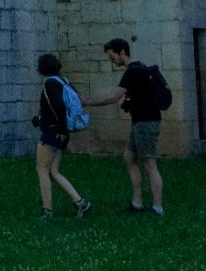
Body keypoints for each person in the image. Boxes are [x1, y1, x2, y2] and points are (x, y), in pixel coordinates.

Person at [85, 37, 165, 216]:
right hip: (139, 122)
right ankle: (137, 202)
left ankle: (157, 207)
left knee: (150, 164)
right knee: (129, 158)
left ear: (122, 52)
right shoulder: (138, 68)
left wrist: (87, 102)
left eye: (113, 58)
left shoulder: (133, 72)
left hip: (146, 122)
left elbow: (113, 98)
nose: (113, 62)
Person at [32, 52, 92, 219]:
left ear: (41, 68)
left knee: (42, 169)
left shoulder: (49, 83)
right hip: (62, 132)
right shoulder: (64, 81)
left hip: (52, 132)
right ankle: (81, 203)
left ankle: (47, 211)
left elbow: (57, 107)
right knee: (54, 170)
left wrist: (51, 125)